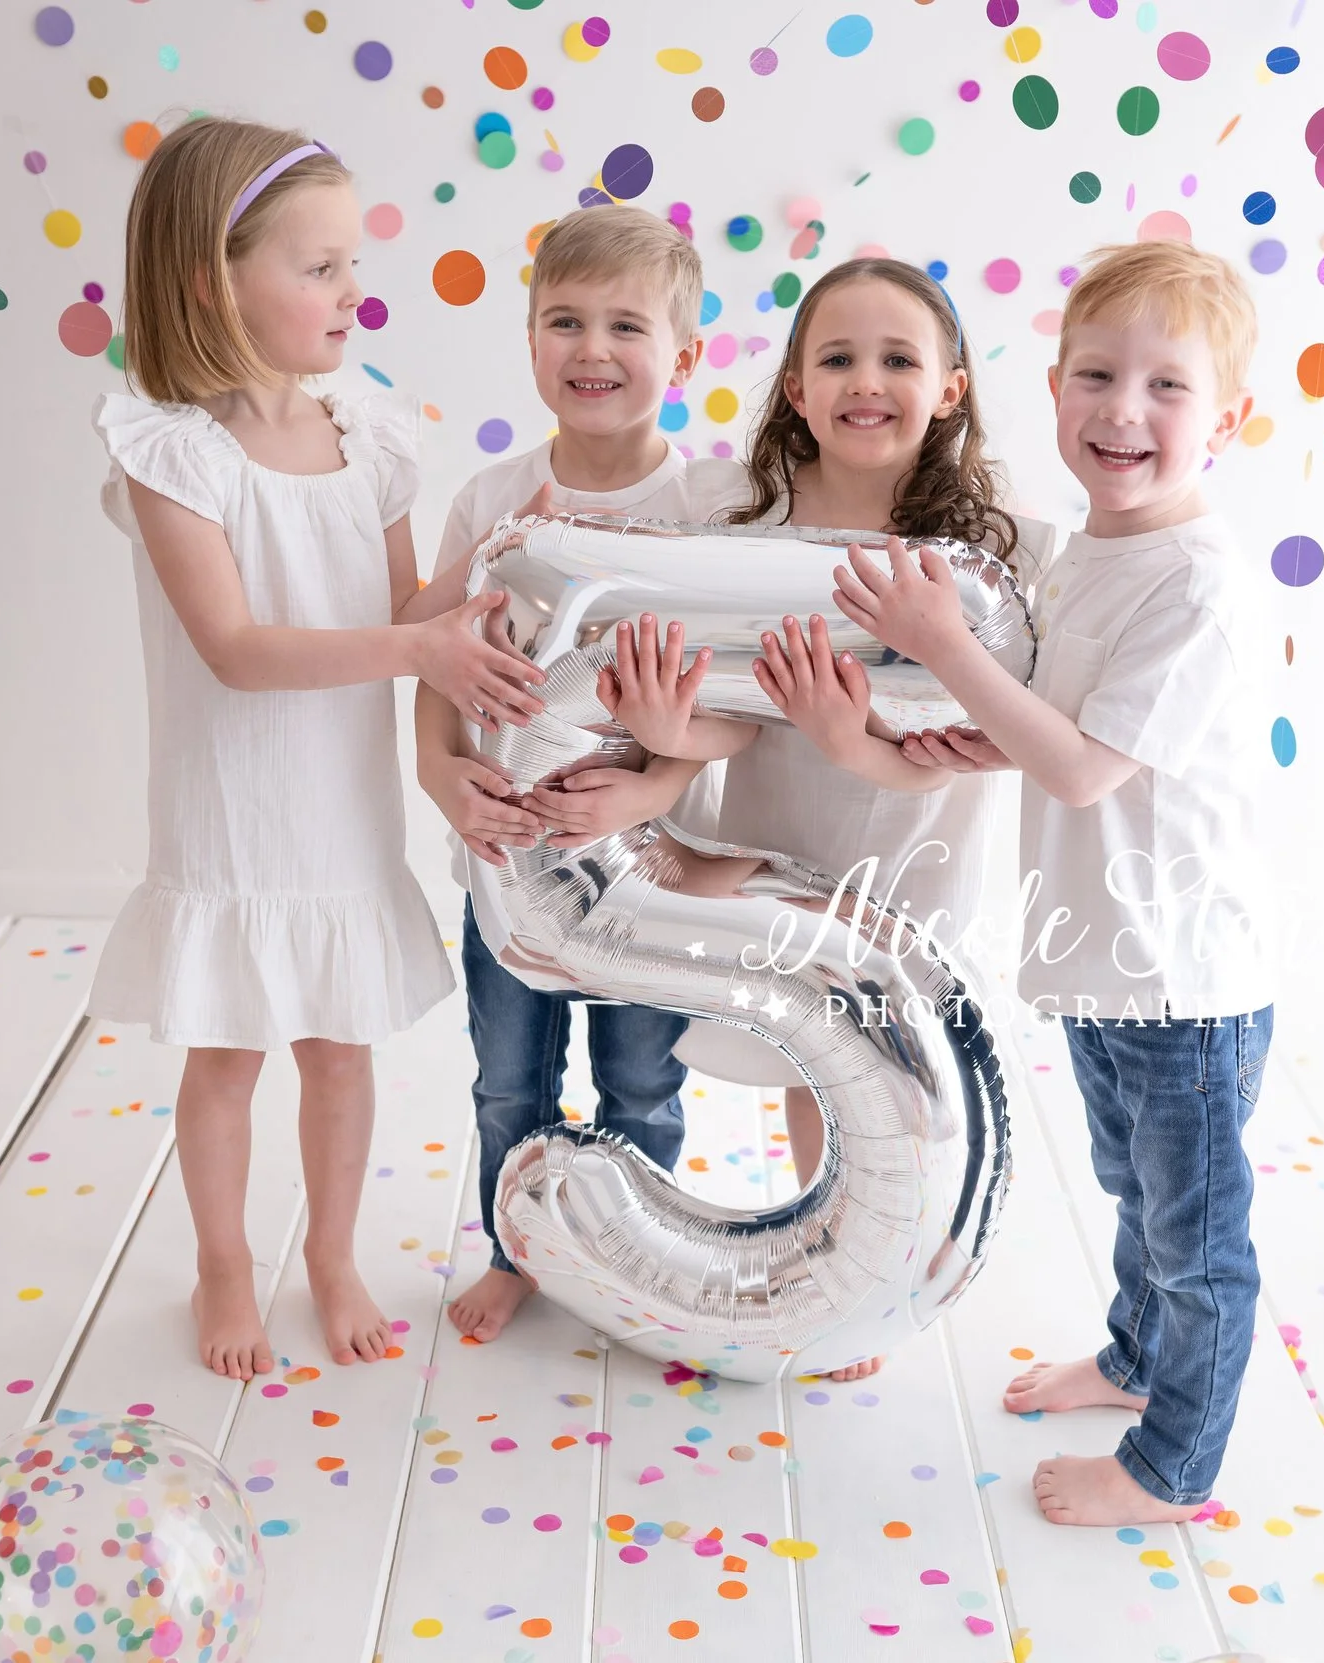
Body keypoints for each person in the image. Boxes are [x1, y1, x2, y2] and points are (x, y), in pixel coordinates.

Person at [88, 118, 544, 1379]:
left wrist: (495, 556)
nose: (354, 292)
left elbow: (399, 611)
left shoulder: (369, 431)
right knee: (228, 1052)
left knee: (341, 1050)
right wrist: (420, 646)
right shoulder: (172, 452)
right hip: (234, 810)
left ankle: (331, 1253)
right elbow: (236, 648)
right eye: (321, 267)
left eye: (354, 264)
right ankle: (223, 1262)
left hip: (340, 806)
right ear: (211, 284)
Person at [830, 240, 1278, 1523]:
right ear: (1054, 387)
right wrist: (978, 734)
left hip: (1182, 975)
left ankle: (1173, 1468)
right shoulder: (1094, 551)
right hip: (1104, 955)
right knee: (1135, 1189)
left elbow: (1080, 770)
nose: (1123, 410)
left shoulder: (1195, 583)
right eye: (1096, 375)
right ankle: (1137, 1362)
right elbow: (1067, 726)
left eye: (1166, 386)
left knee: (1196, 1243)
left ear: (1226, 420)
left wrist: (940, 647)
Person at [610, 256, 1055, 1382]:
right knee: (820, 1061)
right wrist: (669, 727)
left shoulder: (987, 553)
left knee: (905, 1073)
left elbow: (977, 743)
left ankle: (897, 1266)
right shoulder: (748, 524)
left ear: (949, 389)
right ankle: (835, 1260)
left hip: (918, 853)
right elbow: (727, 708)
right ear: (797, 390)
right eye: (838, 359)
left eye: (899, 359)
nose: (867, 381)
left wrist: (852, 735)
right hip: (789, 842)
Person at [410, 204, 743, 1343]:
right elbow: (435, 662)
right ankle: (517, 1252)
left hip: (648, 871)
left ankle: (636, 1264)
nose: (591, 348)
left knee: (640, 1080)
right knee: (509, 1078)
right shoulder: (492, 500)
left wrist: (651, 788)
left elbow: (739, 706)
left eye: (625, 326)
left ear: (684, 357)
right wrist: (437, 772)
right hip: (507, 860)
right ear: (529, 340)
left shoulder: (709, 510)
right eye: (564, 321)